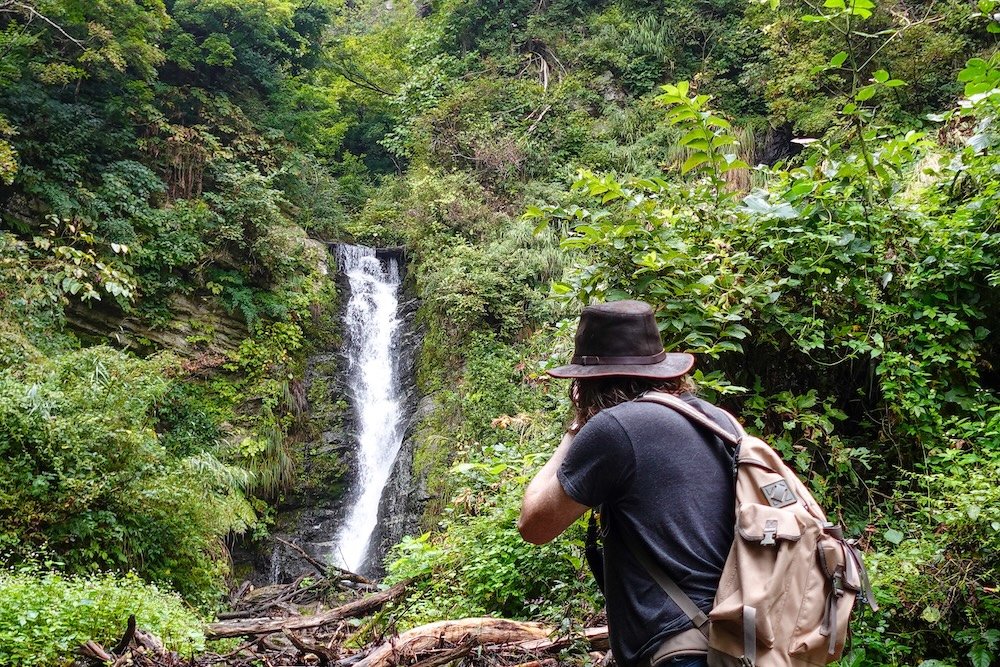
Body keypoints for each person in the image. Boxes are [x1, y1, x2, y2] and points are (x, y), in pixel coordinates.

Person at [518, 300, 736, 667]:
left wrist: (575, 429)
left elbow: (534, 524)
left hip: (679, 650)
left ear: (586, 382)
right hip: (736, 637)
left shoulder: (616, 428)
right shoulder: (716, 420)